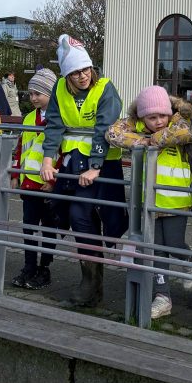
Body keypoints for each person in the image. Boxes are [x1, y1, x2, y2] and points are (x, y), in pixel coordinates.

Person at [38, 35, 125, 308]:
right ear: (67, 75)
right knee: (78, 217)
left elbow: (104, 128)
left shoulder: (105, 88)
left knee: (85, 215)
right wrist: (47, 160)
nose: (83, 76)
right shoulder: (60, 89)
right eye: (76, 72)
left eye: (86, 69)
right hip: (73, 163)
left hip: (103, 164)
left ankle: (91, 285)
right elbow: (54, 126)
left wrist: (96, 166)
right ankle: (91, 284)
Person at [107, 84, 192, 319]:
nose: (158, 122)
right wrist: (141, 140)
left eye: (162, 116)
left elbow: (184, 133)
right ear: (142, 117)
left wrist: (151, 140)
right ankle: (162, 296)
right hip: (147, 202)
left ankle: (188, 259)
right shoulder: (136, 127)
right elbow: (113, 133)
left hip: (175, 201)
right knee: (155, 250)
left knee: (174, 244)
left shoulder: (178, 122)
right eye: (152, 117)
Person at [10, 68, 60, 289]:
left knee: (49, 227)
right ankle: (29, 266)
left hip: (47, 184)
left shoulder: (59, 118)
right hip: (29, 182)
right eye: (30, 94)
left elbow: (62, 152)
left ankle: (44, 267)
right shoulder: (30, 117)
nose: (33, 98)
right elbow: (21, 147)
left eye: (38, 93)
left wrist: (53, 181)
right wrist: (15, 174)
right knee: (28, 226)